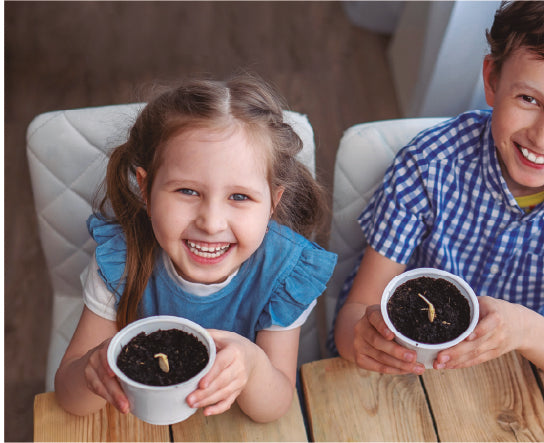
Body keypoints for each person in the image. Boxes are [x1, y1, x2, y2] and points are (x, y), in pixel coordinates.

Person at [331, 1, 544, 386]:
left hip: (515, 375)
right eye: (529, 99)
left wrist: (525, 330)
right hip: (413, 365)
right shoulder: (429, 164)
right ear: (492, 80)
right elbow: (352, 319)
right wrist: (362, 340)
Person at [54, 72, 337, 423]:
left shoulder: (283, 273)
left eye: (239, 197)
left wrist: (251, 364)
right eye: (188, 191)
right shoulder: (120, 260)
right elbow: (70, 399)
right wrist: (91, 369)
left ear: (273, 203)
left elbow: (274, 407)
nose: (211, 222)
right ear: (145, 188)